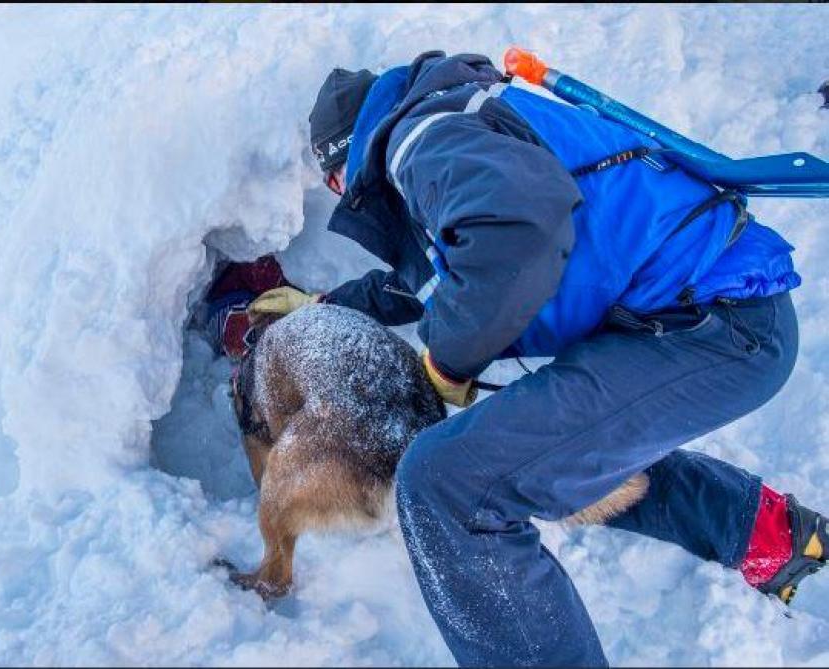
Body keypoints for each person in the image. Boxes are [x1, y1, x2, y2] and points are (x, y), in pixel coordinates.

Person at [247, 52, 827, 667]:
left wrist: (449, 360)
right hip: (693, 318)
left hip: (717, 323)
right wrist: (323, 302)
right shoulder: (453, 126)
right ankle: (774, 536)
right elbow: (429, 282)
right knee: (534, 451)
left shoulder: (422, 139)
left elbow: (519, 233)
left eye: (335, 182)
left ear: (344, 161)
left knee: (450, 485)